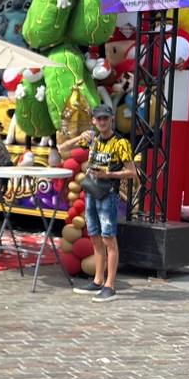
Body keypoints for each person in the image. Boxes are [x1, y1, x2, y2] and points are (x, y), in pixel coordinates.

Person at [59, 104, 134, 302]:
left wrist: (108, 174)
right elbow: (62, 148)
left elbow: (132, 172)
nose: (102, 122)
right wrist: (79, 137)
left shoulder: (120, 143)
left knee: (109, 238)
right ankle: (98, 279)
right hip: (91, 192)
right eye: (98, 119)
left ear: (111, 120)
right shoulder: (94, 140)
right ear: (93, 121)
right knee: (94, 236)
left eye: (105, 119)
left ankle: (110, 284)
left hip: (108, 193)